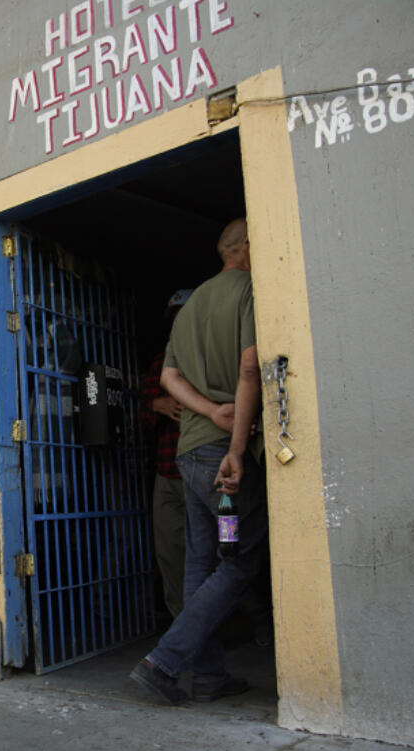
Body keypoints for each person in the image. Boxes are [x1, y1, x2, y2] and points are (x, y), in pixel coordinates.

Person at [129, 218, 267, 705]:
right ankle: (163, 662)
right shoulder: (251, 288)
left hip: (190, 458)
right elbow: (251, 367)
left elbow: (169, 379)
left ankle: (207, 678)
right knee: (238, 560)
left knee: (201, 564)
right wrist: (233, 444)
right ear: (249, 247)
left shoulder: (189, 307)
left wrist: (207, 411)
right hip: (221, 465)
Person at [138, 289, 194, 619]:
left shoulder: (210, 354)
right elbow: (143, 415)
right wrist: (156, 405)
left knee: (221, 549)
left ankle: (246, 618)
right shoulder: (161, 362)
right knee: (171, 554)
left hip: (208, 468)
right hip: (168, 472)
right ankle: (182, 626)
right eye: (175, 319)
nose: (179, 324)